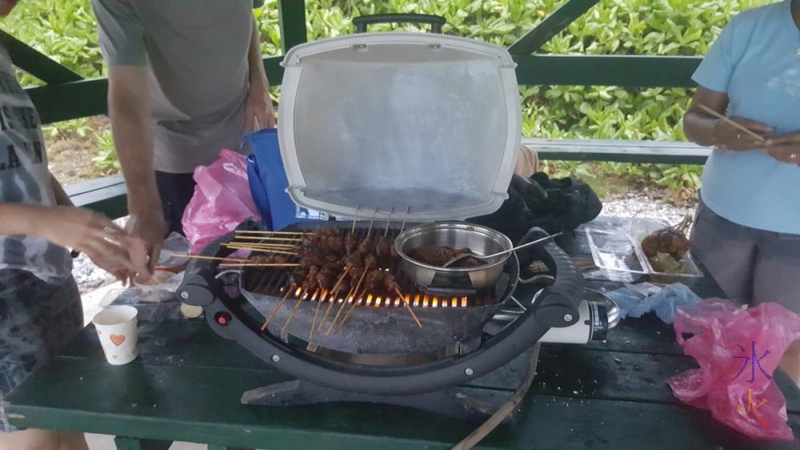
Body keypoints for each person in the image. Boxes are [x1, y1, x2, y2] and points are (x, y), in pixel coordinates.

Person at [0, 1, 148, 448]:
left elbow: (18, 157)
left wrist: (76, 219)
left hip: (42, 269)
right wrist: (47, 222)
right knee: (34, 430)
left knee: (68, 413)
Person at [92, 0, 275, 277]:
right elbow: (127, 95)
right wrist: (143, 207)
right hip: (175, 148)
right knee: (193, 277)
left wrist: (259, 81)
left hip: (242, 132)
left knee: (259, 263)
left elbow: (246, 12)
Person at [682, 0, 800, 378]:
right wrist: (720, 131)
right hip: (723, 213)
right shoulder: (749, 27)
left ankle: (765, 426)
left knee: (782, 353)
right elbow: (696, 118)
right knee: (701, 333)